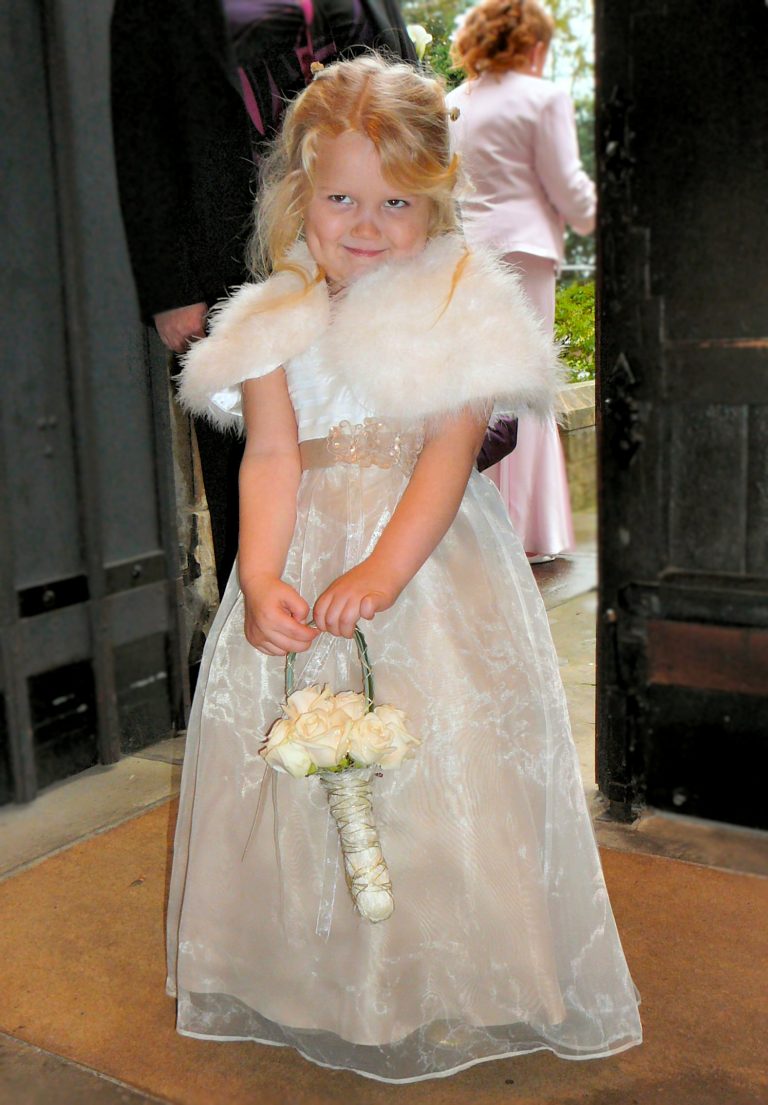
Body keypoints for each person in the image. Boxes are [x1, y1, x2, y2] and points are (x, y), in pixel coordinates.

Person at [166, 55, 641, 1082]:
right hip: (306, 553)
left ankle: (465, 974)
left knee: (441, 760)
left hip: (427, 564)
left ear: (436, 205)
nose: (367, 224)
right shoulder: (274, 317)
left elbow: (443, 452)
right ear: (300, 194)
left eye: (396, 203)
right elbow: (274, 453)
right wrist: (258, 577)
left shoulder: (461, 306)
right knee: (307, 777)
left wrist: (383, 570)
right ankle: (312, 975)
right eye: (341, 198)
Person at [110, 0, 416, 593]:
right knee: (251, 456)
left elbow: (406, 94)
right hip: (234, 262)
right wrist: (171, 286)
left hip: (373, 246)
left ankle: (389, 597)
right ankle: (263, 610)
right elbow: (142, 137)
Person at [447, 0, 596, 561]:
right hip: (527, 253)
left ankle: (482, 525)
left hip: (470, 258)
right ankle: (531, 530)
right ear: (533, 43)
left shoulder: (452, 104)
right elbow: (567, 185)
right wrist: (600, 217)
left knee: (481, 387)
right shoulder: (544, 97)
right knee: (529, 386)